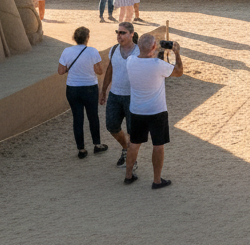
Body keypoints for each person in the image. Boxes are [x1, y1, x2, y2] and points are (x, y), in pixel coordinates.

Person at [124, 33, 183, 188]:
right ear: (153, 47)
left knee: (134, 143)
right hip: (157, 111)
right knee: (158, 144)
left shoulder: (130, 62)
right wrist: (176, 53)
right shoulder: (158, 65)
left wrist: (154, 52)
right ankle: (157, 180)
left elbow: (141, 58)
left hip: (137, 110)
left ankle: (128, 175)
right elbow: (178, 71)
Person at [58, 26, 107, 159]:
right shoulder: (92, 51)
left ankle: (81, 149)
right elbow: (100, 71)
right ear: (87, 38)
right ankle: (97, 144)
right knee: (93, 117)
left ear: (74, 38)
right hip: (90, 88)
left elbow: (61, 71)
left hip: (73, 88)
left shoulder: (67, 51)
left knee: (77, 118)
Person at [99, 21, 139, 168]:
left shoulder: (139, 52)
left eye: (122, 33)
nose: (119, 36)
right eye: (118, 32)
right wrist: (103, 90)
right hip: (115, 95)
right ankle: (125, 148)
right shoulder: (114, 49)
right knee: (111, 126)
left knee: (132, 131)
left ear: (131, 34)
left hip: (132, 97)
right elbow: (110, 69)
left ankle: (132, 161)